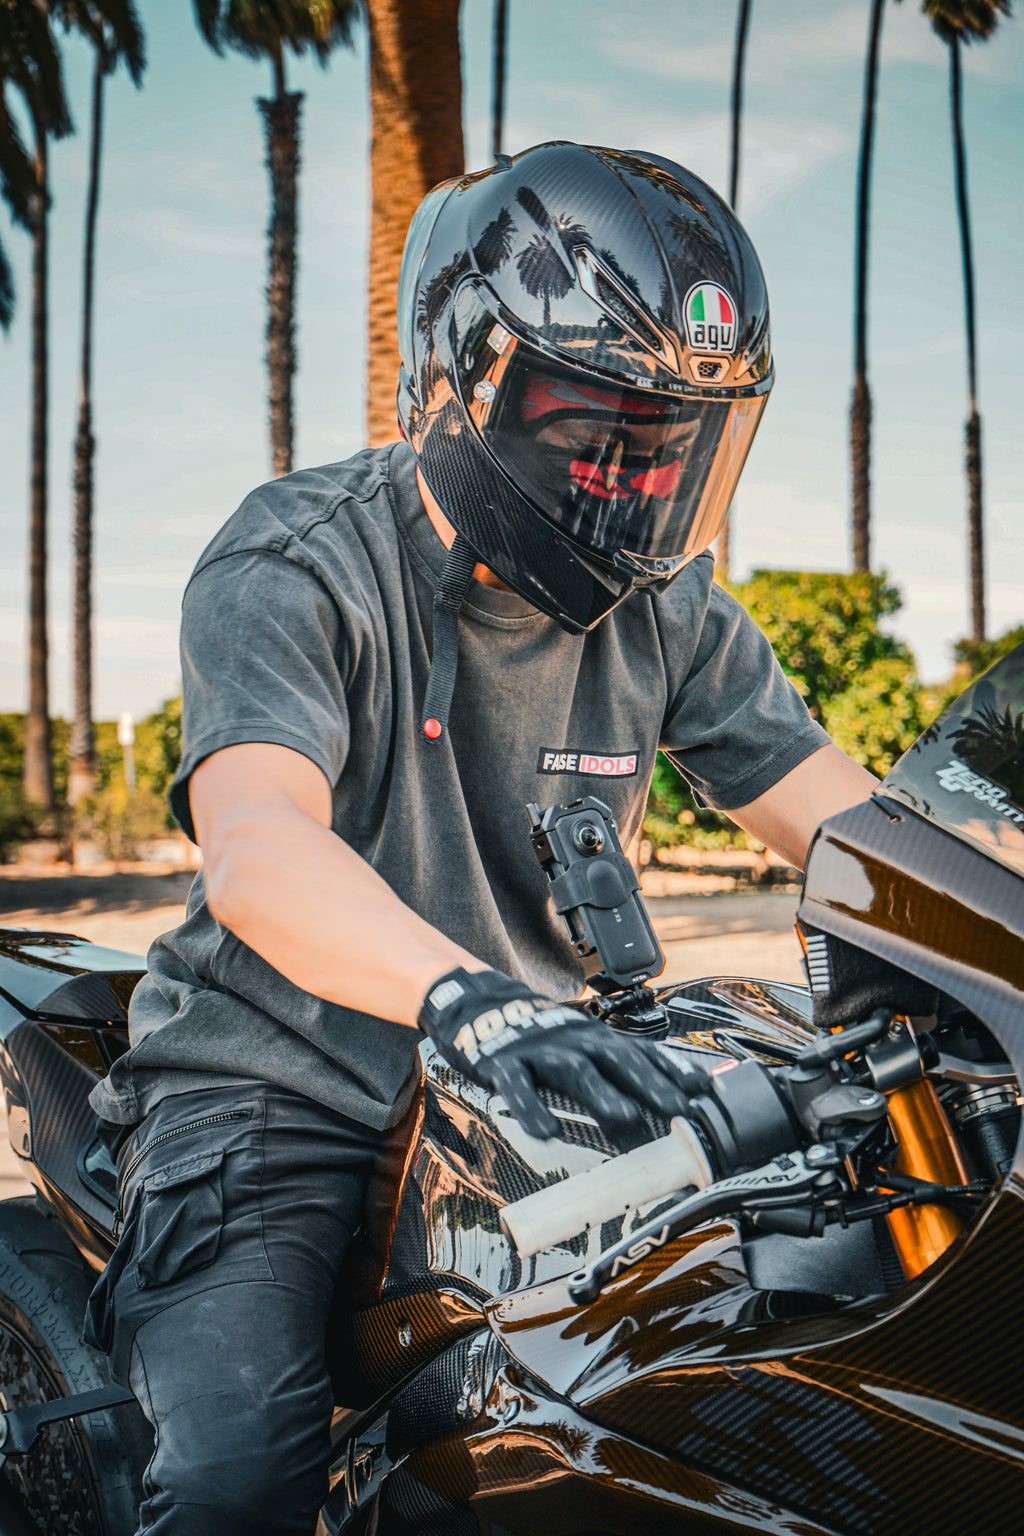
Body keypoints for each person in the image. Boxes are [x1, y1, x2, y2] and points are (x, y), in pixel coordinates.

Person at [85, 142, 877, 1534]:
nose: (635, 482)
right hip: (283, 1084)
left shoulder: (666, 609)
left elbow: (855, 826)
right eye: (595, 434)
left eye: (673, 444)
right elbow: (259, 843)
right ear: (460, 386)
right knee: (238, 1481)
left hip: (540, 1085)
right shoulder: (302, 557)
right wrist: (471, 1003)